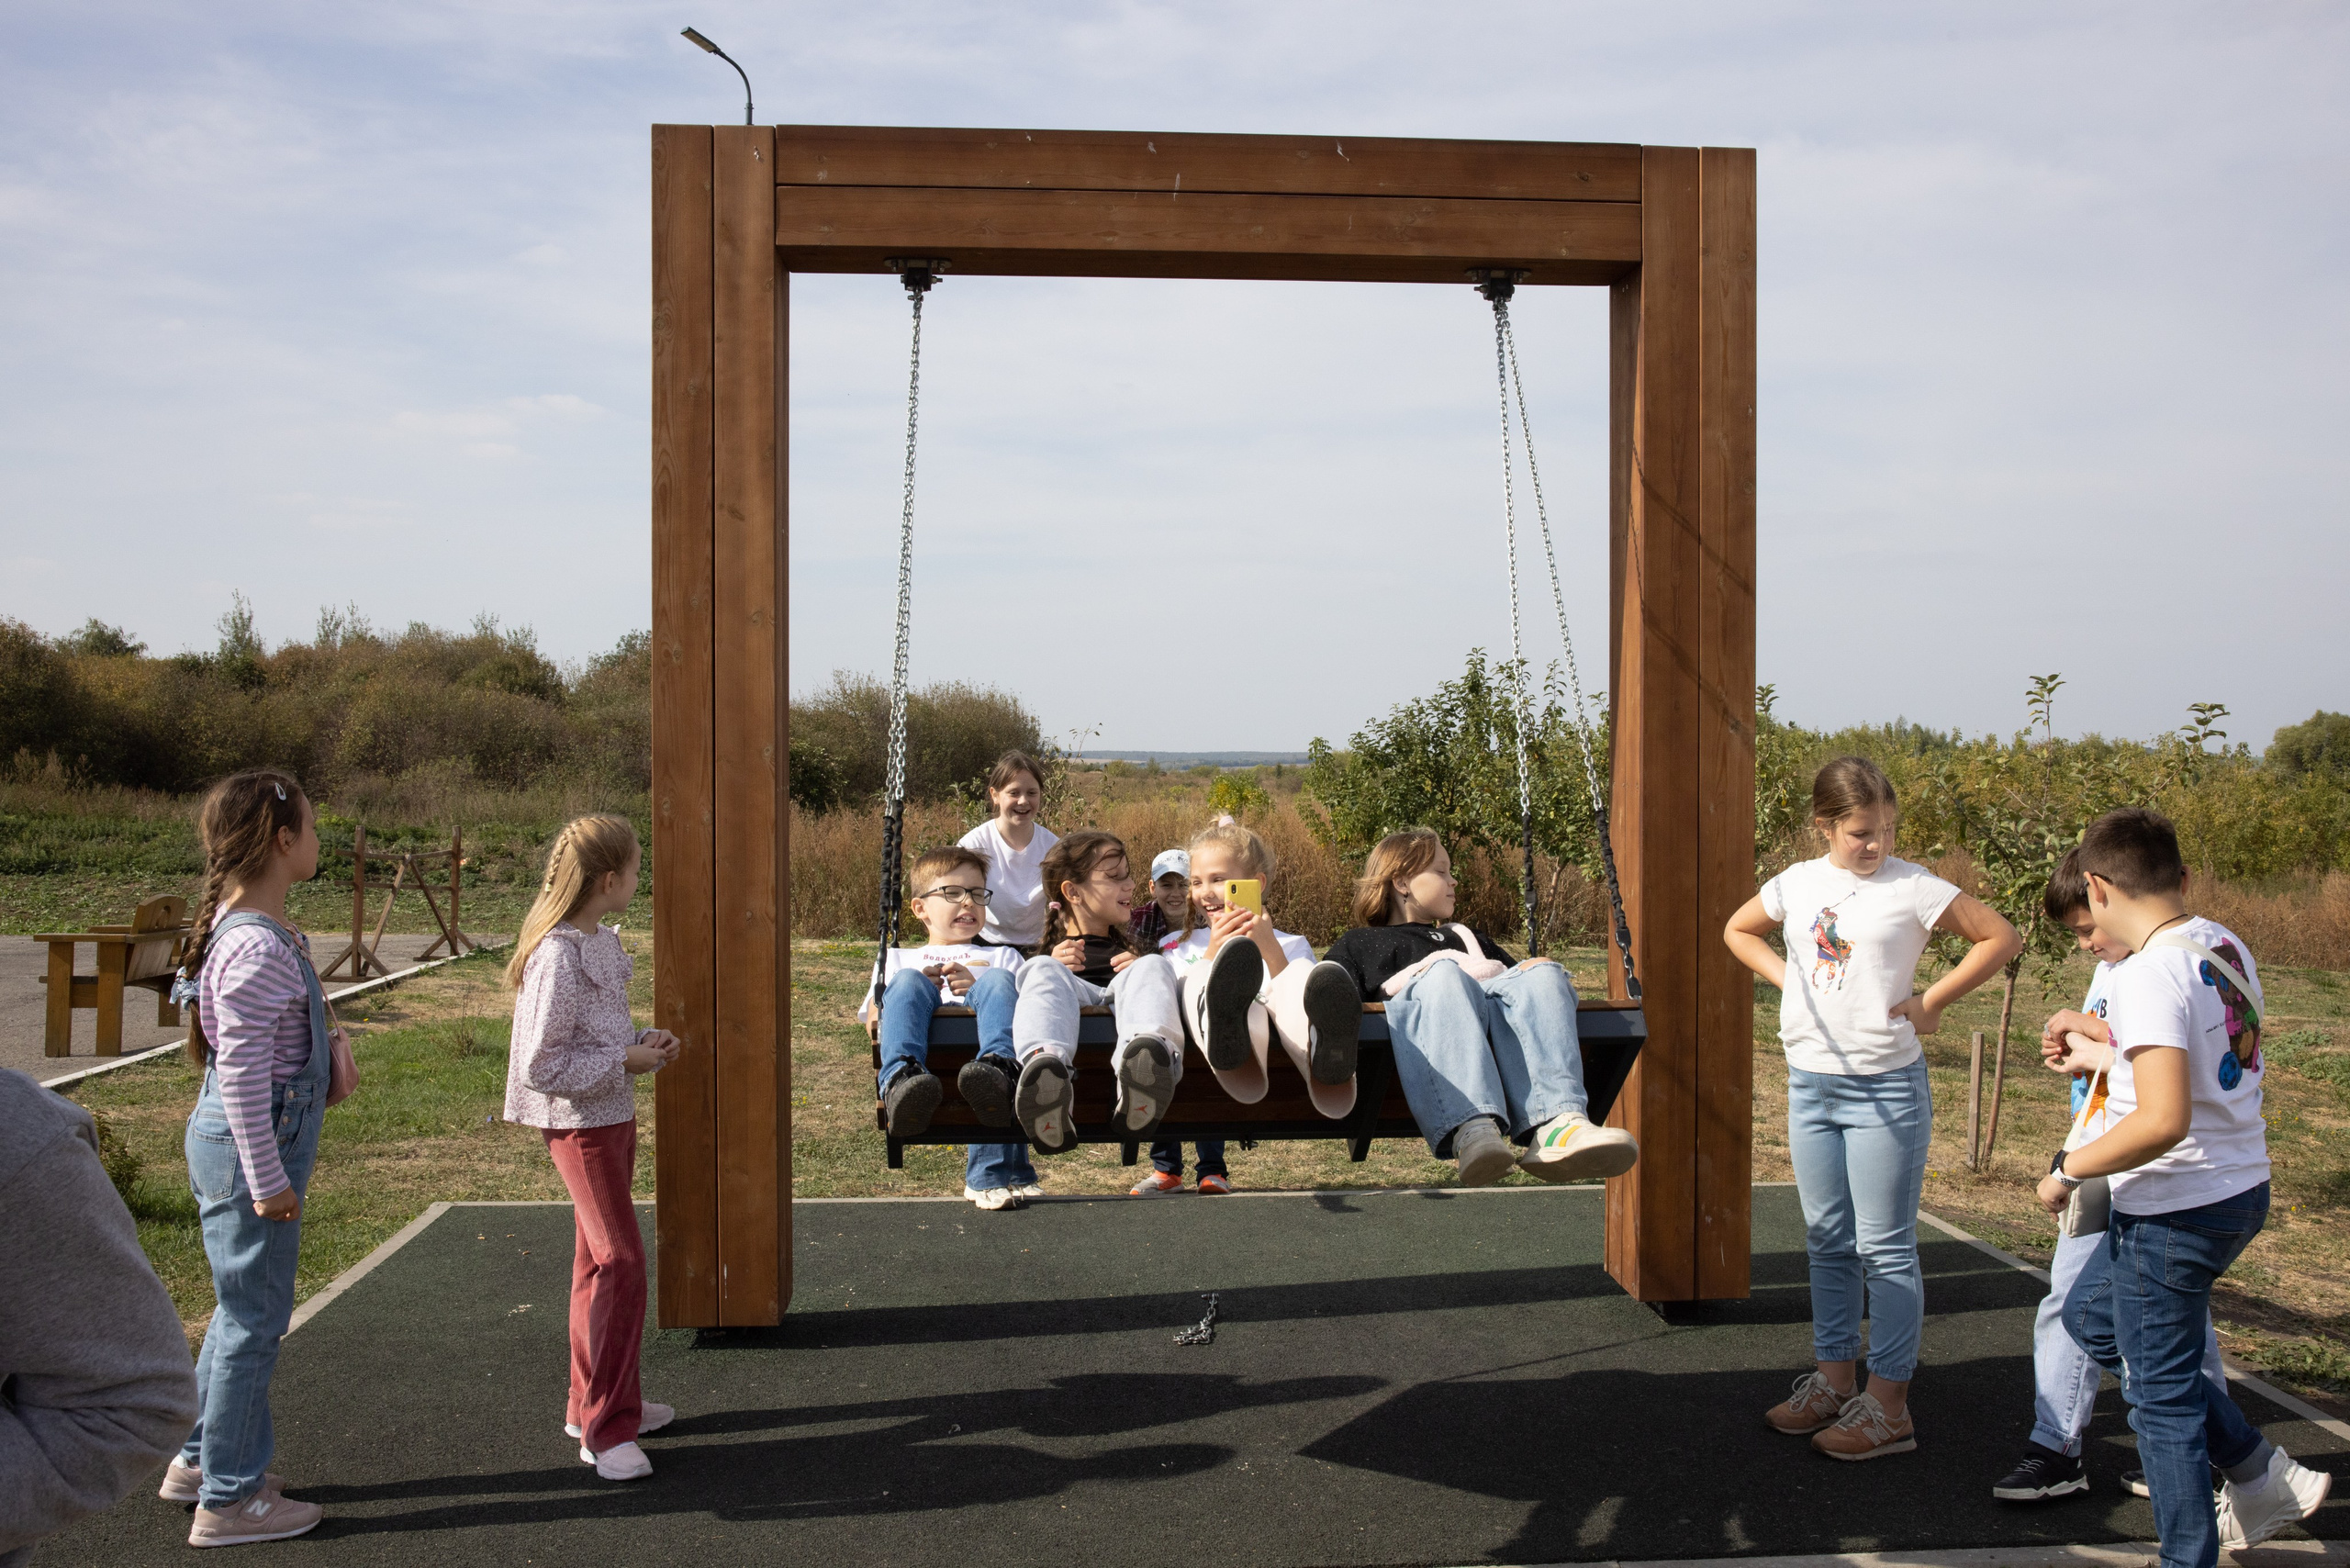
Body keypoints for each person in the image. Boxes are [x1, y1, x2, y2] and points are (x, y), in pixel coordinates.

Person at [2032, 808, 2327, 1564]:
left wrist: (2069, 1169)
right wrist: (2103, 1053)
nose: (2087, 938)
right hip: (2237, 1188)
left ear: (2097, 887)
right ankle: (2260, 1471)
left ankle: (2188, 1554)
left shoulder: (2144, 973)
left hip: (2175, 1207)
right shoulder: (2220, 942)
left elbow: (2163, 1119)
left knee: (2159, 1401)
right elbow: (2187, 1061)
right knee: (2094, 1322)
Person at [1724, 756, 2020, 1462]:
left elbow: (2001, 936)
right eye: (1861, 832)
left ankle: (1889, 1407)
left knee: (1884, 1248)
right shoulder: (1797, 883)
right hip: (1810, 1084)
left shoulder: (1914, 886)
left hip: (1885, 1088)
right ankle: (1834, 1384)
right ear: (1823, 826)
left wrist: (1932, 1001)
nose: (1876, 843)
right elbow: (1738, 930)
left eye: (1886, 829)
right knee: (1828, 1239)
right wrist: (1790, 982)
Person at [1991, 847, 2231, 1502]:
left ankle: (2218, 1456)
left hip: (2144, 1167)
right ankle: (2059, 1445)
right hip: (2107, 1154)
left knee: (2142, 1316)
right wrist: (2088, 1037)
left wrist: (2069, 1164)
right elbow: (2131, 1052)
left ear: (2111, 897)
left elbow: (2167, 1085)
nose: (2088, 943)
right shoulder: (2122, 965)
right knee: (2075, 1303)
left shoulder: (2159, 965)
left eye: (2089, 928)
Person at [162, 768, 344, 1545]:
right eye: (311, 826)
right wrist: (268, 1181)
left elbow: (263, 1052)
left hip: (243, 1144)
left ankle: (199, 1461)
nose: (318, 838)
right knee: (253, 1321)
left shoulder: (253, 931)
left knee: (239, 1311)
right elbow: (238, 1075)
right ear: (282, 839)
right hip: (251, 1152)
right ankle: (229, 1501)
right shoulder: (257, 945)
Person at [503, 814, 680, 1484]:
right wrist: (622, 1061)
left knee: (595, 1262)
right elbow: (541, 1065)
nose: (639, 879)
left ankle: (594, 1405)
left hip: (612, 1118)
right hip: (580, 1128)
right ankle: (608, 1433)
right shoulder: (557, 955)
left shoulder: (599, 941)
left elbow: (594, 1034)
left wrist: (642, 1041)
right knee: (620, 1263)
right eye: (636, 869)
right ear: (609, 880)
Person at [1323, 828, 1639, 1187]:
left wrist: (1538, 973)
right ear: (1402, 882)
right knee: (1444, 973)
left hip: (1489, 1020)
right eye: (1440, 872)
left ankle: (1558, 1124)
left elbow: (1522, 995)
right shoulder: (1362, 942)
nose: (1453, 880)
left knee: (1542, 972)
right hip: (1430, 1037)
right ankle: (1473, 1127)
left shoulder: (1469, 939)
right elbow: (1331, 992)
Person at [1, 1070, 199, 1567]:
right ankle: (219, 1475)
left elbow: (133, 1400)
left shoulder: (16, 1138)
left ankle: (221, 1474)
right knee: (246, 1316)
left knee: (249, 1315)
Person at [859, 845, 1040, 1211]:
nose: (968, 902)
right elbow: (874, 1024)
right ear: (920, 908)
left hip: (983, 1061)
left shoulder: (1002, 956)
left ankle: (997, 1069)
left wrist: (978, 985)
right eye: (953, 893)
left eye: (977, 893)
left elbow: (1030, 1018)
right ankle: (901, 1080)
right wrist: (915, 990)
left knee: (998, 983)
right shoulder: (899, 960)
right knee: (907, 982)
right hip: (929, 1068)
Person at [1009, 832, 1186, 1152]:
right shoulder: (1050, 963)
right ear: (1073, 892)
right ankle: (1046, 1074)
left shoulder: (1137, 958)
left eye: (1128, 876)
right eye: (1115, 877)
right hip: (1068, 990)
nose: (1130, 885)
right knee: (1039, 969)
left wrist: (1140, 968)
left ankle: (1146, 1067)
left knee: (1155, 965)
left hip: (1124, 995)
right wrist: (1049, 964)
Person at [957, 752, 1059, 949]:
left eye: (1032, 793)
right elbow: (956, 899)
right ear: (995, 795)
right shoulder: (973, 844)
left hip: (1039, 946)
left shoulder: (1054, 847)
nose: (1023, 801)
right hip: (984, 942)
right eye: (1014, 793)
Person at [1131, 848, 1191, 948]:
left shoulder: (1207, 919)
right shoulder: (1139, 920)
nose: (1176, 894)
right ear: (1152, 888)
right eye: (1167, 885)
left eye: (1184, 885)